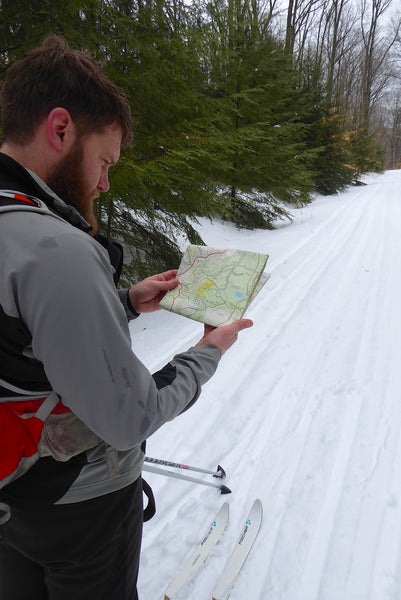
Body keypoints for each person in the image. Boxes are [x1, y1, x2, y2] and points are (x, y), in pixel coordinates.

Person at [0, 36, 253, 600]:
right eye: (105, 161)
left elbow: (18, 334)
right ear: (61, 129)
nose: (105, 182)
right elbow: (129, 416)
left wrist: (120, 301)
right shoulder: (55, 248)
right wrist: (207, 353)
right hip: (80, 503)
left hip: (12, 494)